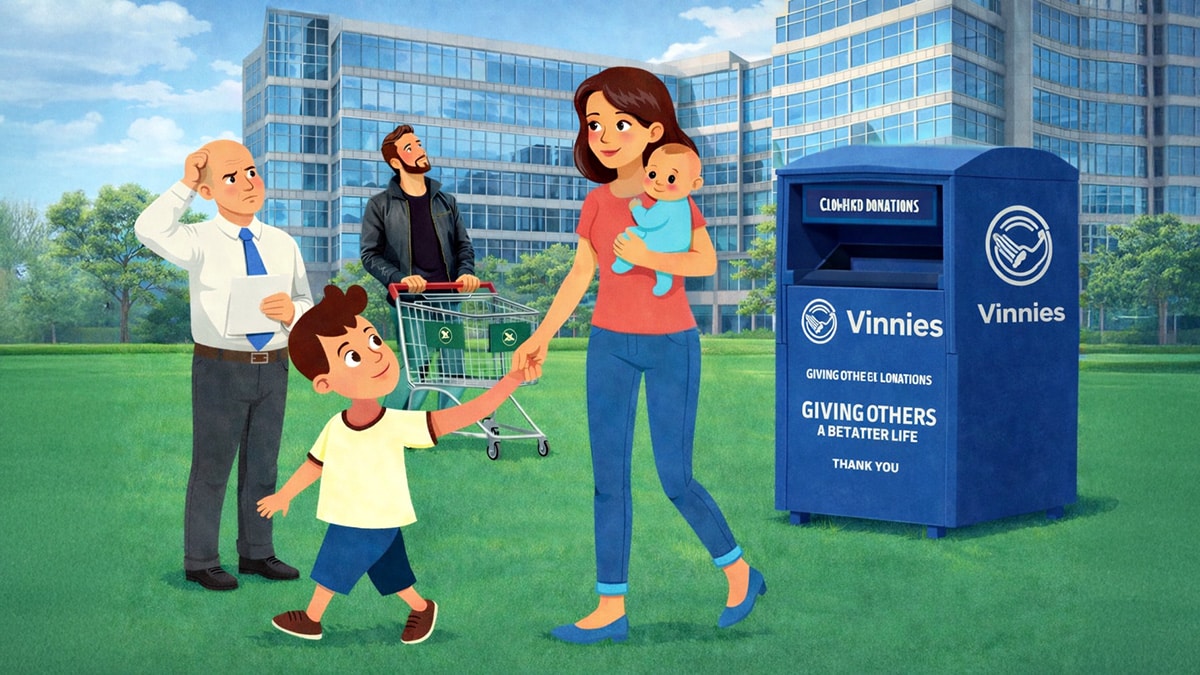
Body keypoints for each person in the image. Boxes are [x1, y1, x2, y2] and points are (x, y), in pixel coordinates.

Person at [511, 66, 765, 644]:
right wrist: (542, 335)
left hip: (672, 343)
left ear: (654, 131)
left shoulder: (673, 189)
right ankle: (610, 609)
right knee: (608, 482)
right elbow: (582, 273)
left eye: (618, 121)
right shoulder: (597, 202)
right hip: (608, 347)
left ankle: (740, 571)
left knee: (675, 477)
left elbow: (705, 263)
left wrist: (649, 255)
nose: (602, 133)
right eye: (593, 122)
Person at [257, 284, 540, 643]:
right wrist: (285, 495)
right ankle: (421, 608)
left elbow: (468, 413)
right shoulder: (335, 426)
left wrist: (512, 379)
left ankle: (312, 618)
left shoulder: (396, 422)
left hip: (373, 516)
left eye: (374, 341)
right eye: (354, 357)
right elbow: (316, 464)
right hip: (354, 512)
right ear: (325, 384)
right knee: (390, 571)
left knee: (335, 561)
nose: (375, 356)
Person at [135, 139, 313, 591]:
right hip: (220, 367)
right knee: (213, 465)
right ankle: (201, 560)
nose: (248, 184)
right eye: (231, 178)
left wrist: (291, 313)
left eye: (251, 171)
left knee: (263, 466)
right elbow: (148, 229)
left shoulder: (282, 243)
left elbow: (306, 301)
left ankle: (257, 553)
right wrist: (185, 184)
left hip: (273, 364)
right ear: (210, 192)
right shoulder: (197, 239)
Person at [360, 124, 480, 410]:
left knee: (455, 370)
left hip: (448, 299)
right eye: (410, 148)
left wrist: (467, 273)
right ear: (395, 162)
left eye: (419, 144)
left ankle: (440, 426)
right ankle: (394, 423)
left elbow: (464, 246)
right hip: (410, 302)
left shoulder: (446, 202)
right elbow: (370, 255)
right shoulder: (380, 205)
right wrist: (401, 279)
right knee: (419, 368)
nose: (420, 151)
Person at [612, 142, 705, 296]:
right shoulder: (681, 203)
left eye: (671, 178)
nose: (659, 182)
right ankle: (664, 282)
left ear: (694, 184)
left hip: (665, 242)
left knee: (630, 235)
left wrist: (636, 208)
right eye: (653, 175)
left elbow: (647, 221)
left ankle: (624, 262)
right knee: (662, 264)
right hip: (678, 243)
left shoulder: (668, 204)